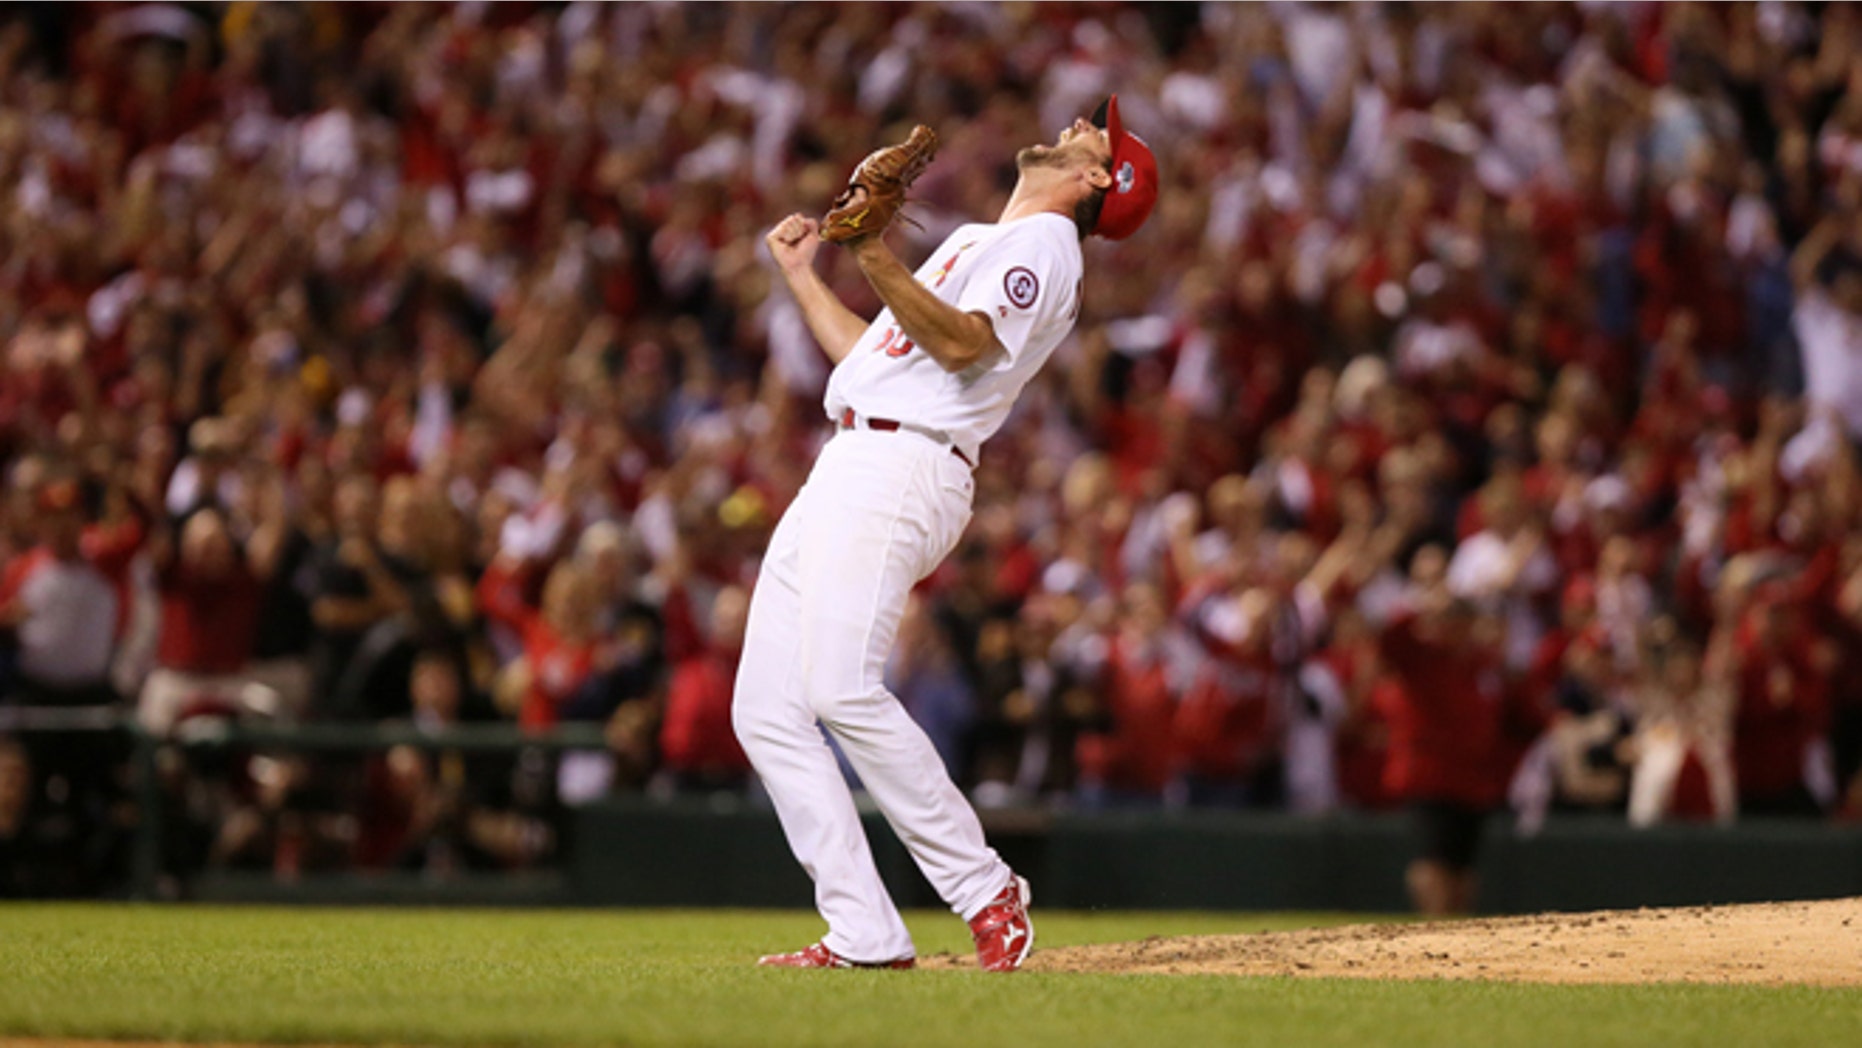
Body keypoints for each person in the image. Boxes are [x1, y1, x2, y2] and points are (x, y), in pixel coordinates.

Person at [736, 97, 1157, 971]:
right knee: (766, 710)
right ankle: (864, 930)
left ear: (1094, 180)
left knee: (841, 690)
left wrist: (872, 250)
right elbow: (875, 359)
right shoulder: (976, 239)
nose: (1081, 123)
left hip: (907, 466)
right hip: (857, 451)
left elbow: (965, 346)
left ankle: (983, 887)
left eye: (1096, 135)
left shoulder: (1046, 246)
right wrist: (811, 278)